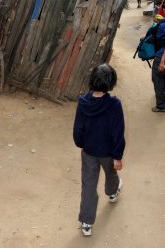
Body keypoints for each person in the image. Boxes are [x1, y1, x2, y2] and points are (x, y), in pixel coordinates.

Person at [73, 63, 125, 237]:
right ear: (111, 83)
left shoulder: (83, 101)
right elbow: (118, 132)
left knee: (88, 185)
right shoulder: (114, 105)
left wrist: (81, 143)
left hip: (88, 151)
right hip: (108, 152)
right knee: (111, 174)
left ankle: (86, 223)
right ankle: (112, 192)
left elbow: (78, 128)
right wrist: (117, 156)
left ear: (92, 80)